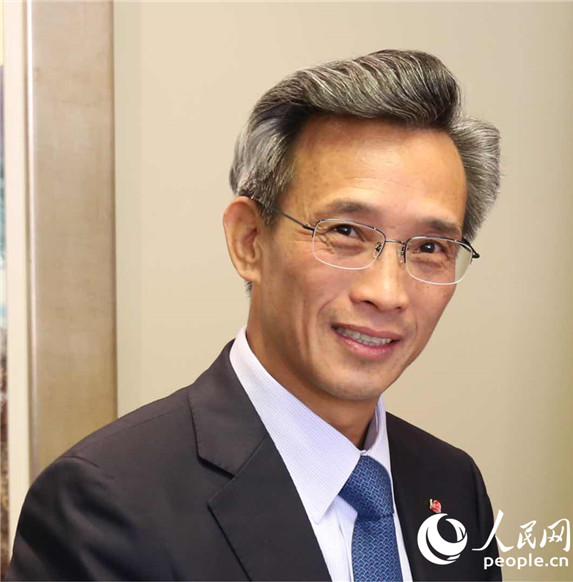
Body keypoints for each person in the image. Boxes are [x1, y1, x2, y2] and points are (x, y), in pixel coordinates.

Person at [7, 50, 502, 581]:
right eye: (345, 232)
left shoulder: (452, 485)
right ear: (249, 240)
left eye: (429, 247)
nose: (387, 293)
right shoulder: (104, 505)